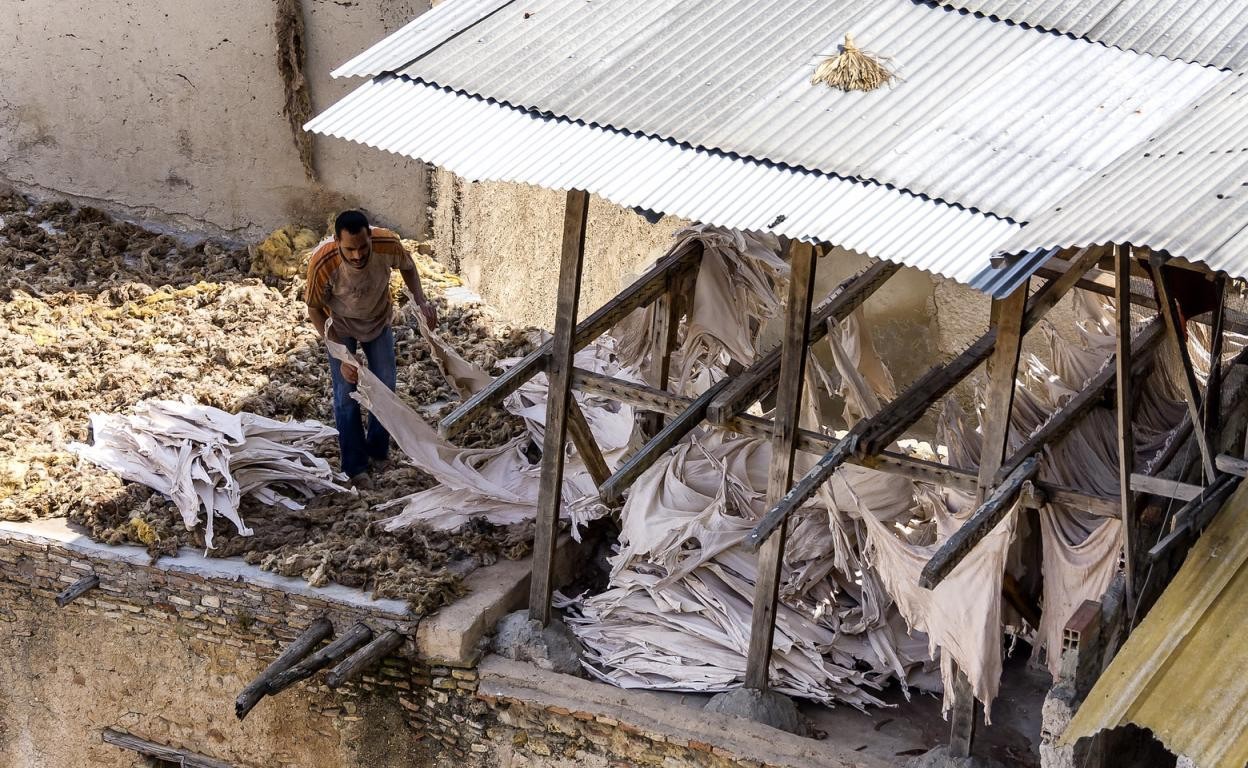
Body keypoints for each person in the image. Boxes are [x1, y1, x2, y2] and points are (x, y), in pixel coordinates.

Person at [304, 210, 437, 487]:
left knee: (385, 385)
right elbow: (315, 308)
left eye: (363, 247)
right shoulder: (324, 262)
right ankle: (355, 466)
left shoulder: (387, 244)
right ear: (337, 242)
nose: (357, 255)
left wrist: (421, 302)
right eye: (349, 249)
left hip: (378, 321)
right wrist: (341, 354)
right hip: (340, 326)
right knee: (345, 394)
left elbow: (409, 267)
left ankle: (378, 451)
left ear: (371, 237)